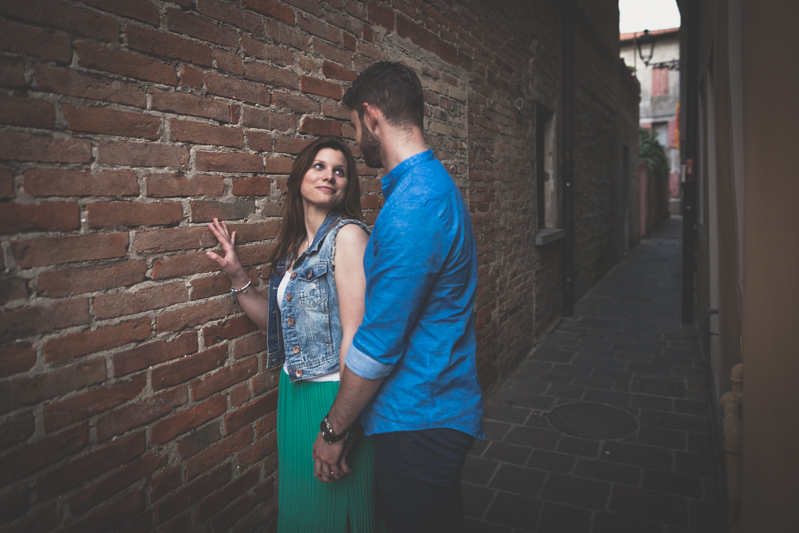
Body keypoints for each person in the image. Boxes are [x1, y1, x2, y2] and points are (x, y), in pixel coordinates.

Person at [311, 62, 485, 532]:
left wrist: (333, 429)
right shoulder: (423, 190)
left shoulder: (414, 206)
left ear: (371, 117)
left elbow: (378, 343)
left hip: (420, 422)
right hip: (422, 416)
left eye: (355, 127)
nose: (358, 138)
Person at [206, 136, 381, 532]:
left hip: (334, 398)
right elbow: (281, 329)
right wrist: (238, 278)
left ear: (347, 185)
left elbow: (358, 340)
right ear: (299, 176)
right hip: (295, 391)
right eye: (319, 166)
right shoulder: (294, 247)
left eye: (340, 171)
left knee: (340, 515)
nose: (330, 176)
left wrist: (338, 429)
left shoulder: (349, 237)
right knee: (306, 516)